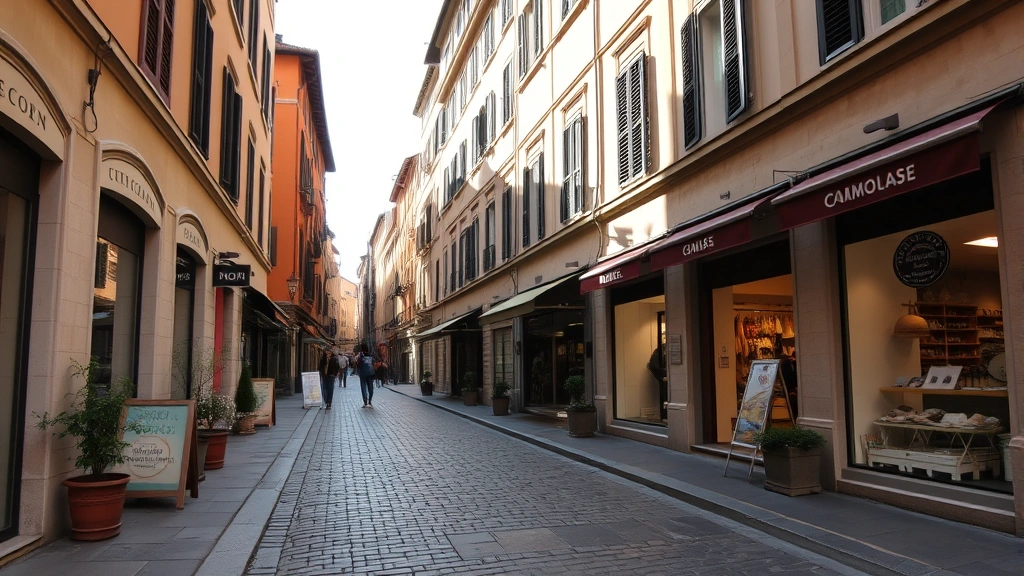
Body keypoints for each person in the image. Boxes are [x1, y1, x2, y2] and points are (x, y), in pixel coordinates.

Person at [355, 343, 376, 408]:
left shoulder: (360, 355)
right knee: (370, 387)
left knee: (363, 387)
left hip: (363, 373)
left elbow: (356, 363)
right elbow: (374, 364)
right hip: (370, 373)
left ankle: (365, 402)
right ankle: (370, 401)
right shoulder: (371, 356)